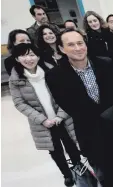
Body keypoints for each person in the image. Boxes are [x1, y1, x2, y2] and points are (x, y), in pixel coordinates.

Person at [45, 29, 113, 185]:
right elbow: (70, 106)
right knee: (104, 176)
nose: (77, 48)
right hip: (89, 134)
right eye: (71, 45)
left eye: (80, 43)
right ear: (61, 49)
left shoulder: (105, 63)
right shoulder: (55, 75)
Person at [9, 43, 80, 187]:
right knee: (55, 150)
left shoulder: (52, 71)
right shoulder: (15, 79)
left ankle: (79, 169)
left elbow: (66, 94)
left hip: (62, 118)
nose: (28, 58)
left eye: (31, 54)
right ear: (17, 59)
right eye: (23, 55)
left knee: (71, 144)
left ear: (38, 56)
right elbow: (19, 103)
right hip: (43, 124)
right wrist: (42, 120)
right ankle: (67, 174)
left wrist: (61, 115)